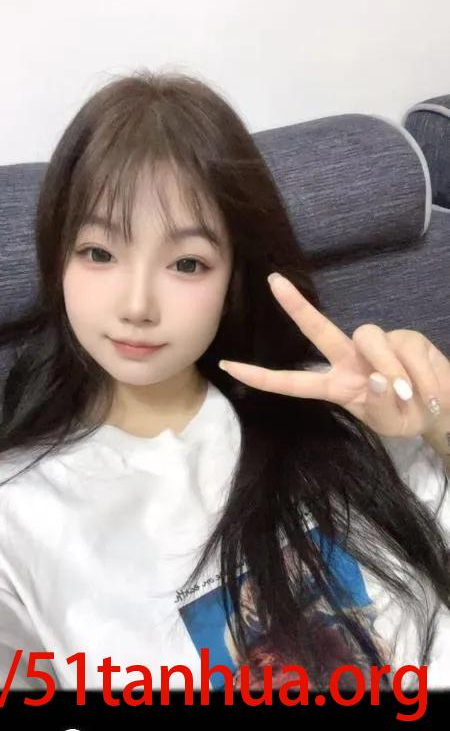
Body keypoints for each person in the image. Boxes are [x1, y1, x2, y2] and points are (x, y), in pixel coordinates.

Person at [0, 69, 449, 695]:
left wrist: (441, 423)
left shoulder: (344, 404)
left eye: (187, 263)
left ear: (234, 276)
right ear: (57, 259)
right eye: (99, 252)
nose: (136, 306)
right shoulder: (18, 515)